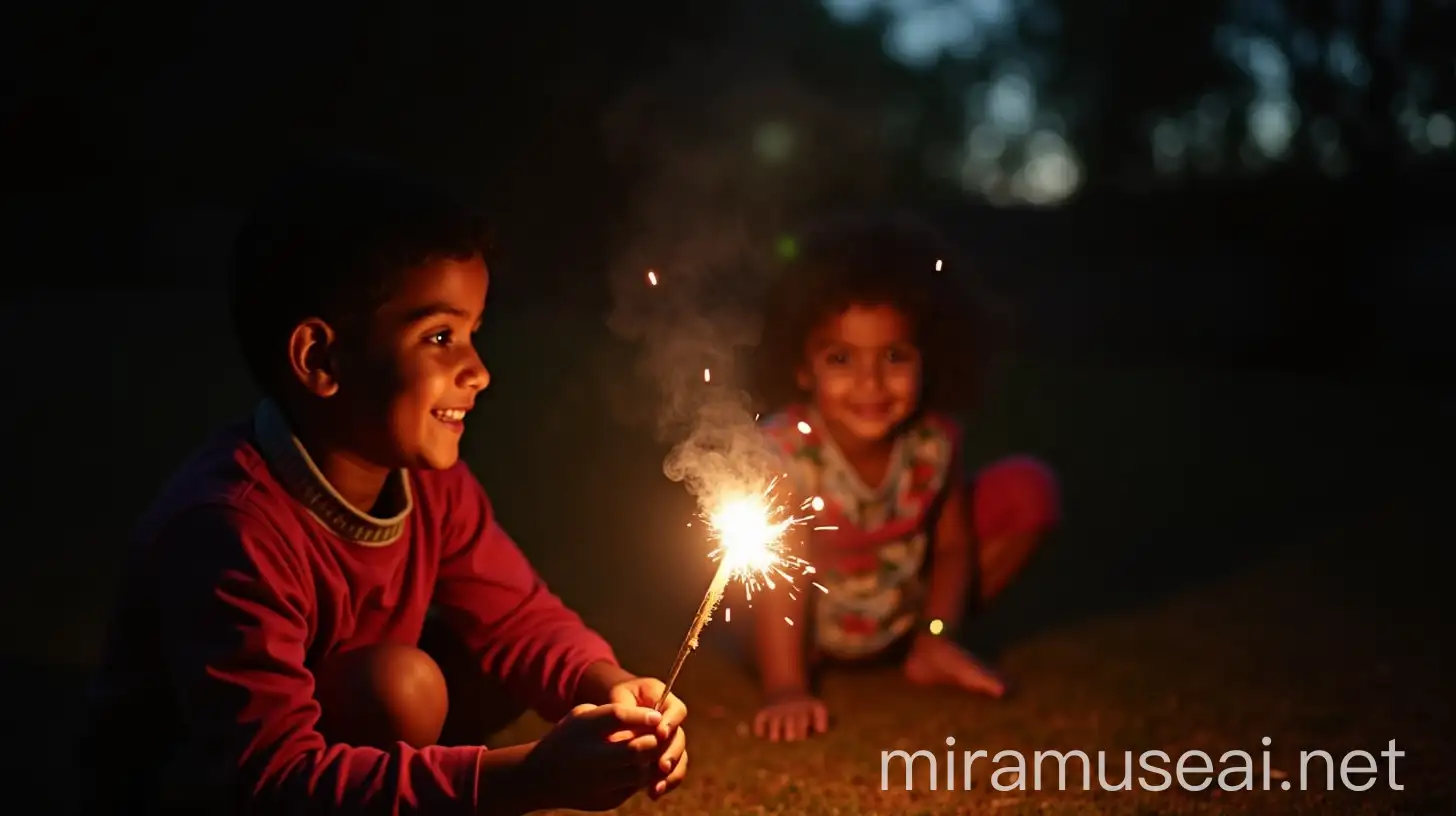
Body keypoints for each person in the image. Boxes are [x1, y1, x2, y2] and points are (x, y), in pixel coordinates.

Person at [75, 154, 689, 814]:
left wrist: (612, 686)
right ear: (321, 359)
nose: (478, 371)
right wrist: (522, 778)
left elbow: (518, 618)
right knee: (404, 686)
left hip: (331, 725)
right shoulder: (233, 526)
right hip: (194, 790)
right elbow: (270, 777)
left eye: (475, 332)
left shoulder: (432, 488)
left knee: (491, 654)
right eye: (441, 335)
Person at [744, 213, 1061, 742]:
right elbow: (778, 580)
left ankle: (925, 653)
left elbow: (954, 547)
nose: (870, 383)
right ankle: (796, 664)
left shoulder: (934, 444)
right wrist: (785, 686)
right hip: (803, 633)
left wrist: (937, 630)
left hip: (902, 620)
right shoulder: (785, 450)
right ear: (802, 366)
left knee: (1029, 489)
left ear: (928, 357)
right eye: (841, 358)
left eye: (894, 356)